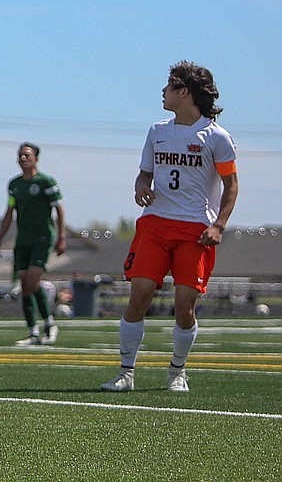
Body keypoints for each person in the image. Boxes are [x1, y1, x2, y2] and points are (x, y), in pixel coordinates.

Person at [101, 61, 237, 394]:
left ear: (184, 92)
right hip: (155, 226)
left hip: (195, 230)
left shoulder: (216, 137)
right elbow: (144, 173)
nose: (163, 91)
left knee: (184, 306)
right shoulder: (157, 131)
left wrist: (218, 225)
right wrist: (140, 186)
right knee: (138, 298)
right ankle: (125, 373)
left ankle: (177, 371)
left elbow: (231, 186)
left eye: (169, 85)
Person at [0, 142, 66, 346]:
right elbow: (9, 213)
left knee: (32, 281)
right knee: (25, 286)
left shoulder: (45, 181)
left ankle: (50, 324)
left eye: (27, 155)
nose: (23, 158)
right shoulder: (14, 185)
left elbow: (59, 209)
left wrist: (61, 237)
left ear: (36, 159)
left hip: (42, 237)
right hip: (22, 238)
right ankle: (33, 332)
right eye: (20, 155)